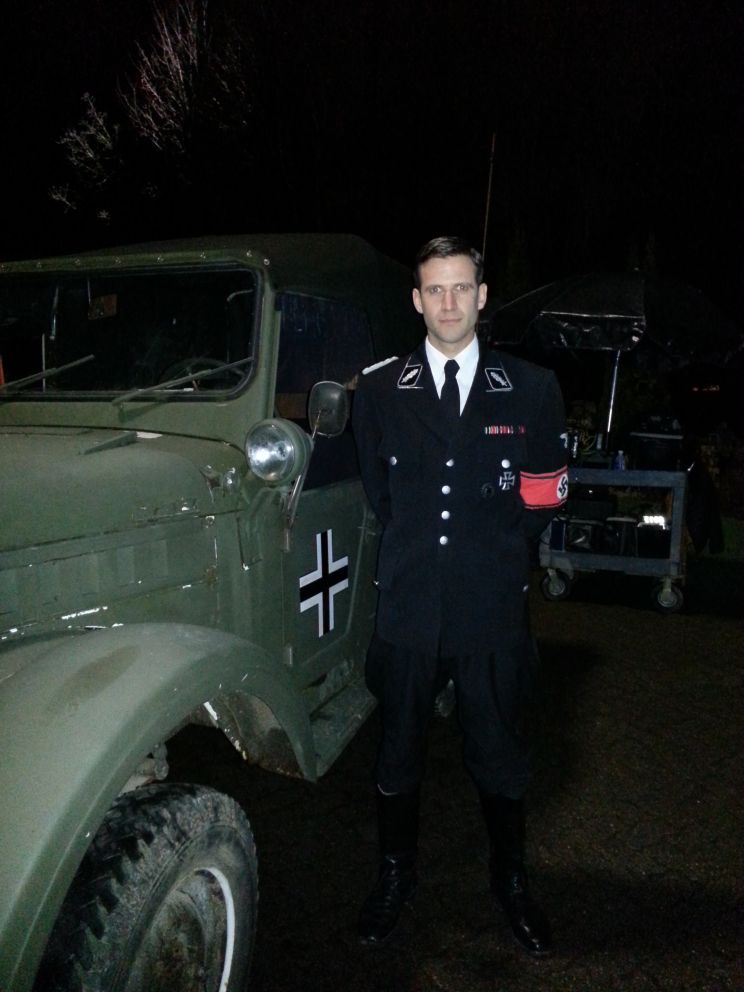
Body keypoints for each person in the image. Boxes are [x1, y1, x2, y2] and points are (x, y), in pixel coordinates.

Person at [351, 236, 568, 956]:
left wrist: (493, 554)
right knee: (398, 752)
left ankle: (511, 882)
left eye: (461, 288)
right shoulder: (380, 390)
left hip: (489, 606)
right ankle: (394, 875)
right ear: (417, 300)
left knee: (499, 753)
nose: (449, 303)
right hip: (409, 605)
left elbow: (544, 497)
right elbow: (382, 495)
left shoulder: (530, 388)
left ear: (482, 295)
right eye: (435, 290)